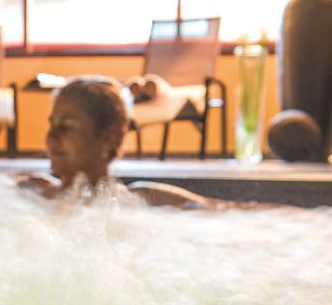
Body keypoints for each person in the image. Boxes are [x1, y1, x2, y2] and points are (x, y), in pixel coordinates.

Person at [17, 76, 208, 208]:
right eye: (52, 124)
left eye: (67, 125)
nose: (52, 137)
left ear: (108, 138)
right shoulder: (32, 189)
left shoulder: (143, 199)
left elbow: (229, 211)